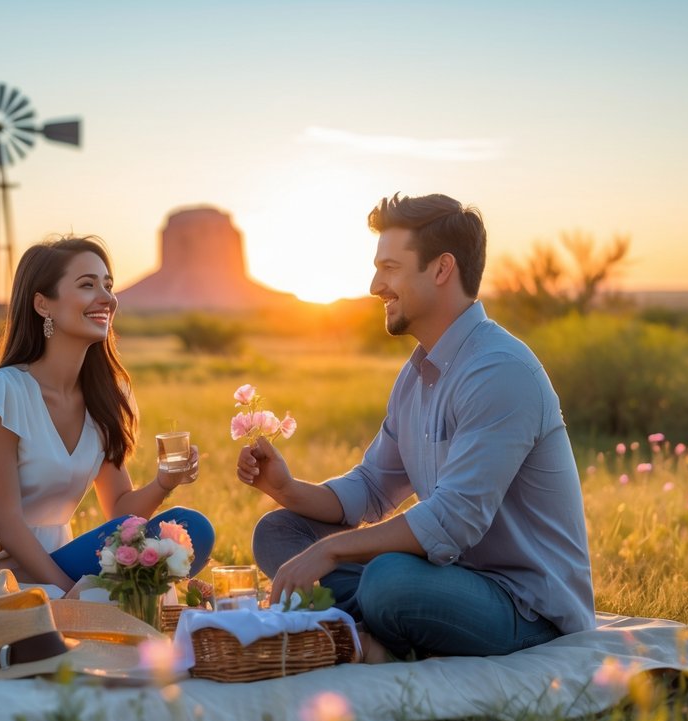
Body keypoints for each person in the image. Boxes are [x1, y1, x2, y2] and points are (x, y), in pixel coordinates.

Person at [237, 193, 594, 660]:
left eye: (389, 268)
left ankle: (370, 633)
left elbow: (453, 520)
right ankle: (376, 634)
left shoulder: (500, 371)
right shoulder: (418, 374)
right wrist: (286, 488)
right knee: (280, 535)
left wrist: (333, 553)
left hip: (523, 607)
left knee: (389, 580)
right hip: (447, 578)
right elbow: (369, 488)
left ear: (442, 269)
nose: (374, 285)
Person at [0, 236, 213, 591]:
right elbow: (6, 523)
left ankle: (109, 597)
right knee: (120, 555)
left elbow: (119, 510)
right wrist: (72, 594)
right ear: (43, 304)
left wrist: (164, 482)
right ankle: (108, 599)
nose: (107, 298)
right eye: (87, 285)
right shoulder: (0, 391)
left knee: (191, 528)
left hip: (58, 562)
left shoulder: (106, 397)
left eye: (108, 285)